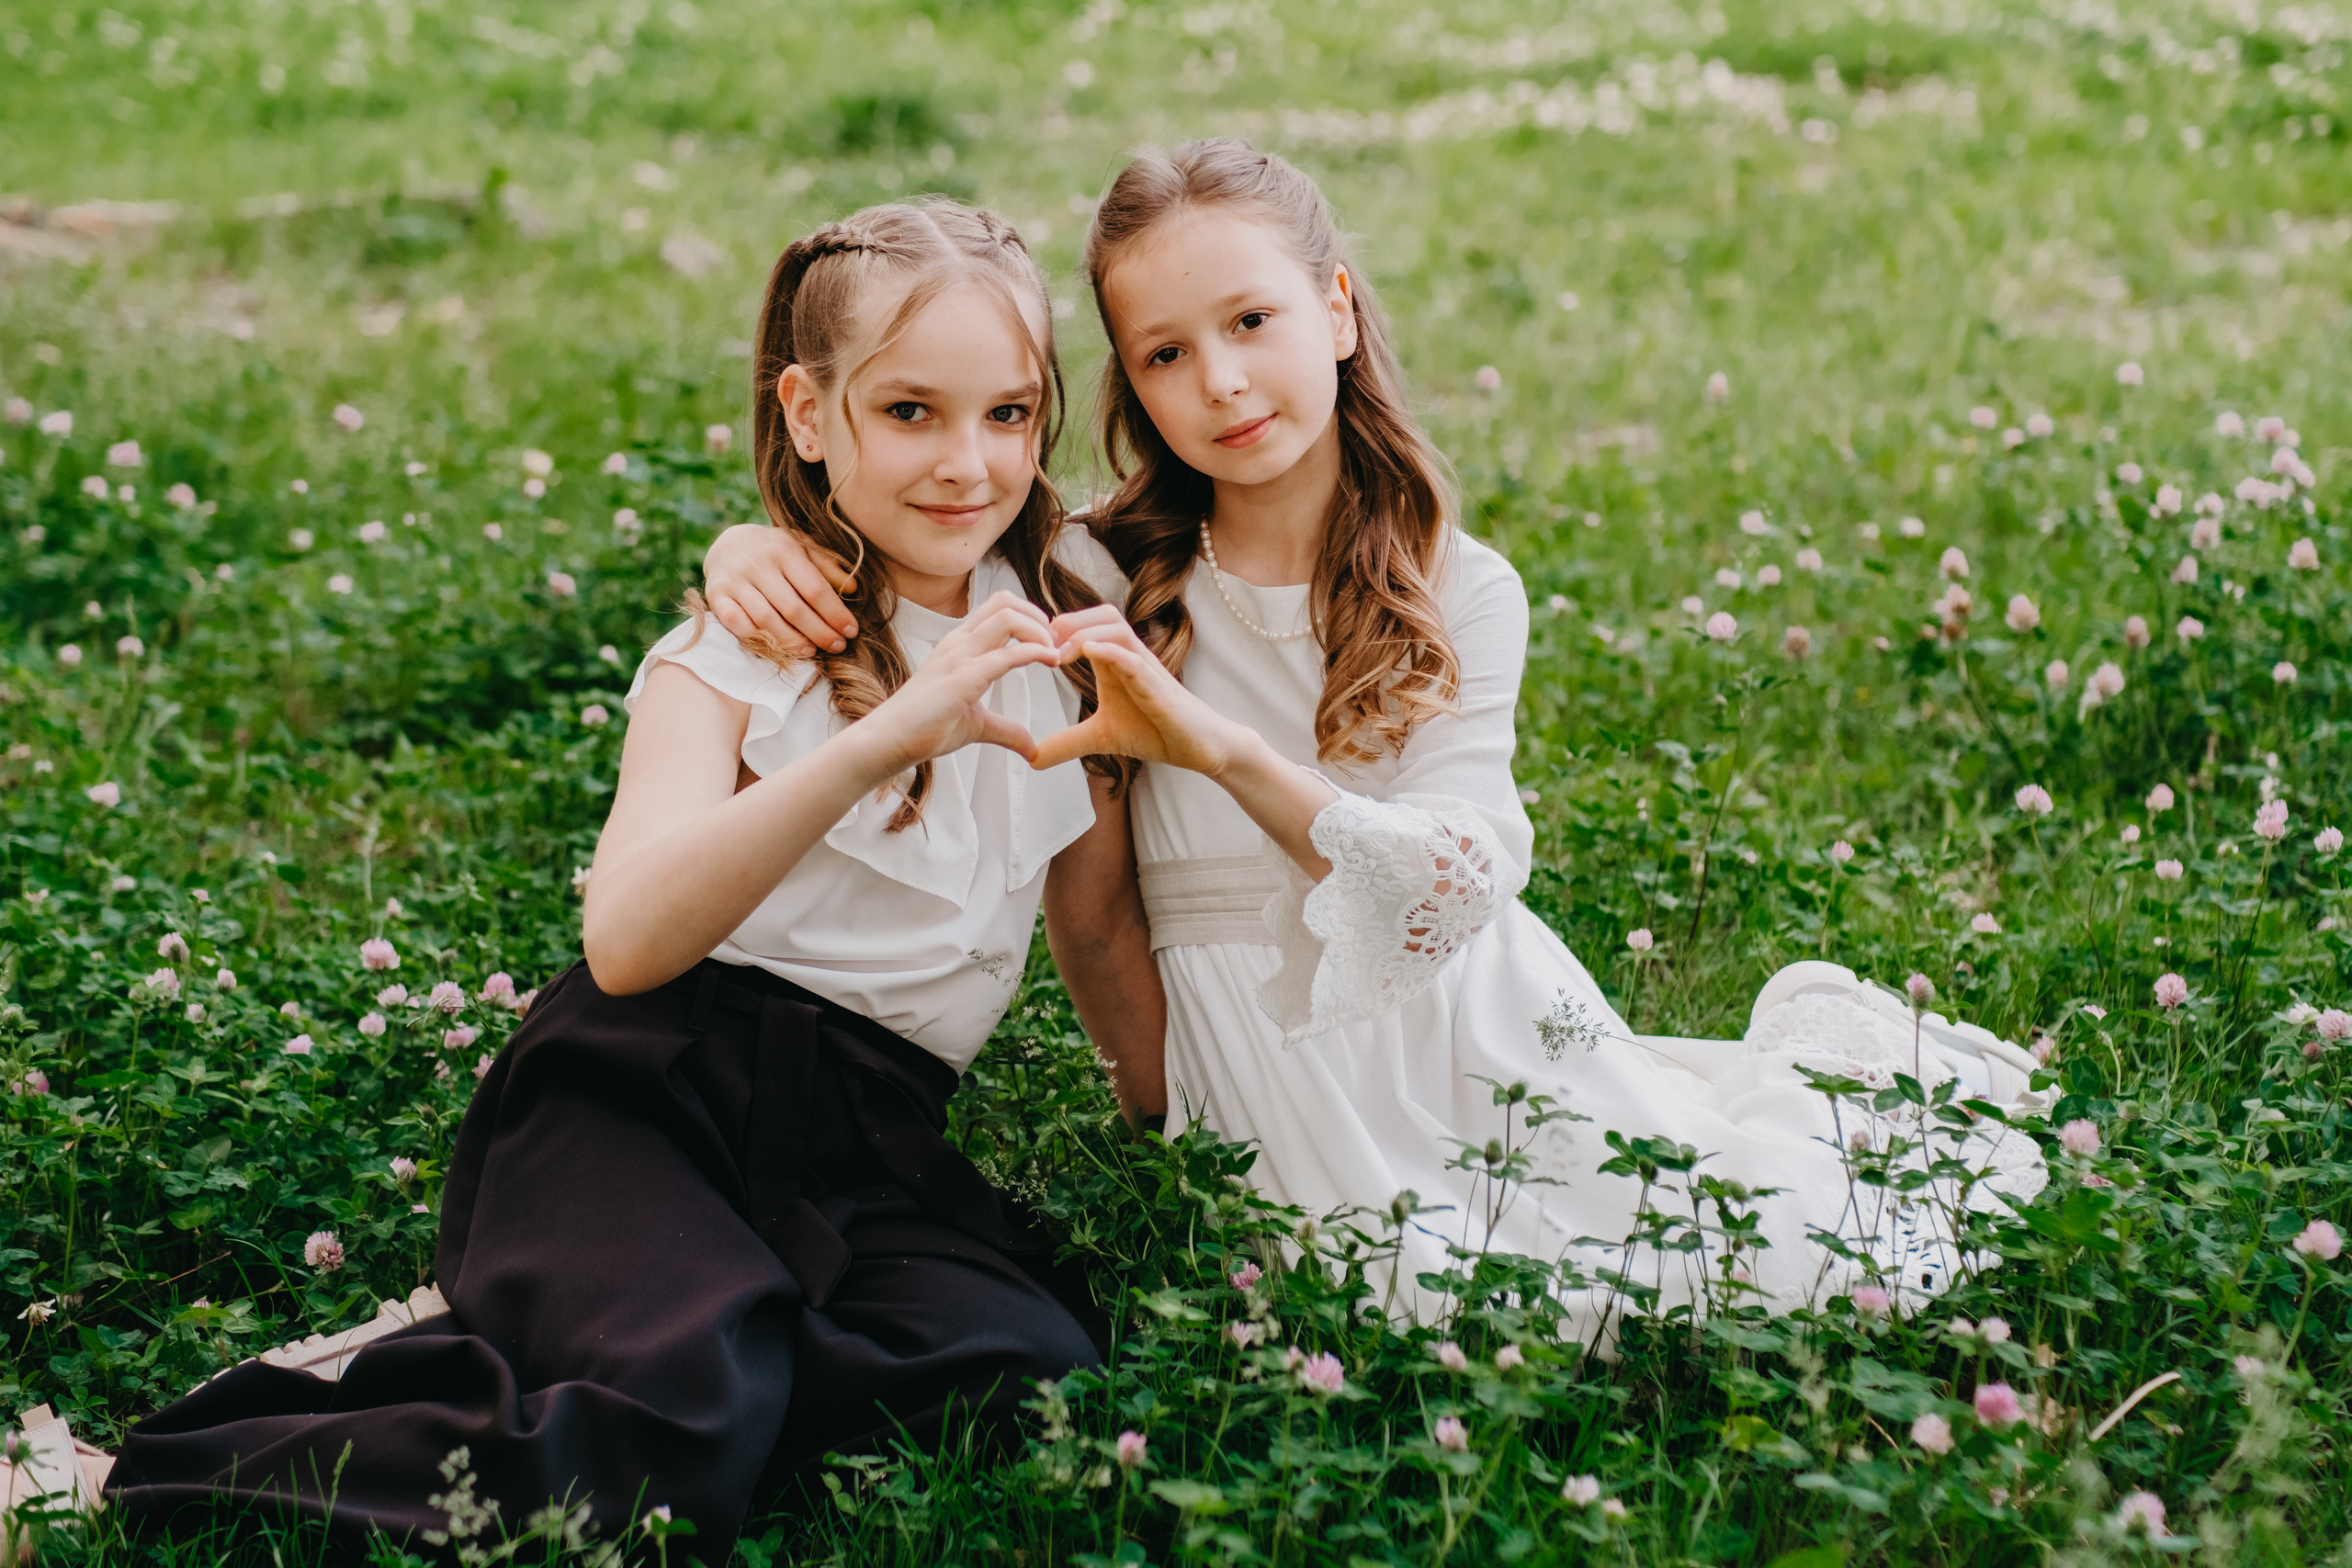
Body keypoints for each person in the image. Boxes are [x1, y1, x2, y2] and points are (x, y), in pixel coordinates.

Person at [698, 141, 2046, 1338]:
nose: (1221, 381)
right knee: (1379, 1293)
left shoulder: (1463, 590)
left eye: (1252, 320)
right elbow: (1086, 898)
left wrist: (1216, 747)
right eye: (1165, 354)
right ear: (1130, 387)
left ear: (1336, 311)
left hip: (1467, 1025)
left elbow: (1456, 887)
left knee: (1735, 1259)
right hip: (1249, 1059)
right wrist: (750, 540)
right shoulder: (1090, 575)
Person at [6, 199, 1161, 1558]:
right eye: (908, 412)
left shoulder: (1067, 596)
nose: (969, 463)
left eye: (1011, 415)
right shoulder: (730, 658)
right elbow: (624, 942)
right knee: (668, 1436)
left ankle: (530, 1337)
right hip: (644, 1093)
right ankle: (104, 1483)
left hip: (867, 1142)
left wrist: (1173, 1147)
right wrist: (883, 737)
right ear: (808, 412)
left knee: (1021, 1375)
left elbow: (1093, 914)